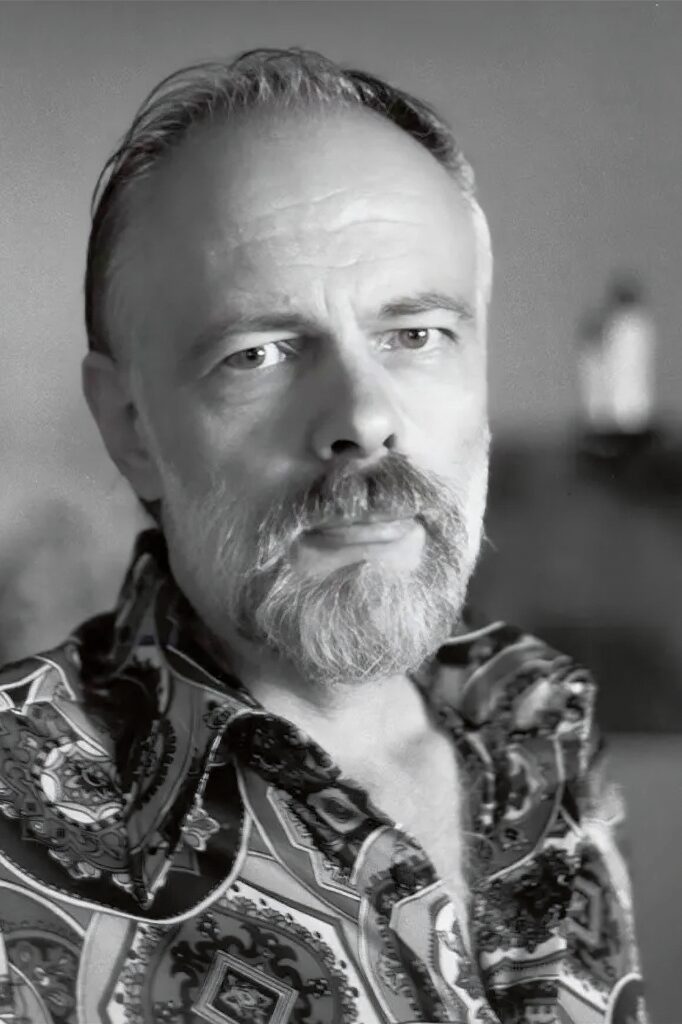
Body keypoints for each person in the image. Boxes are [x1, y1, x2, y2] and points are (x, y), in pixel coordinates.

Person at [0, 49, 647, 1024]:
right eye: (257, 353)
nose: (364, 418)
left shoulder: (543, 720)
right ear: (131, 426)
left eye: (416, 335)